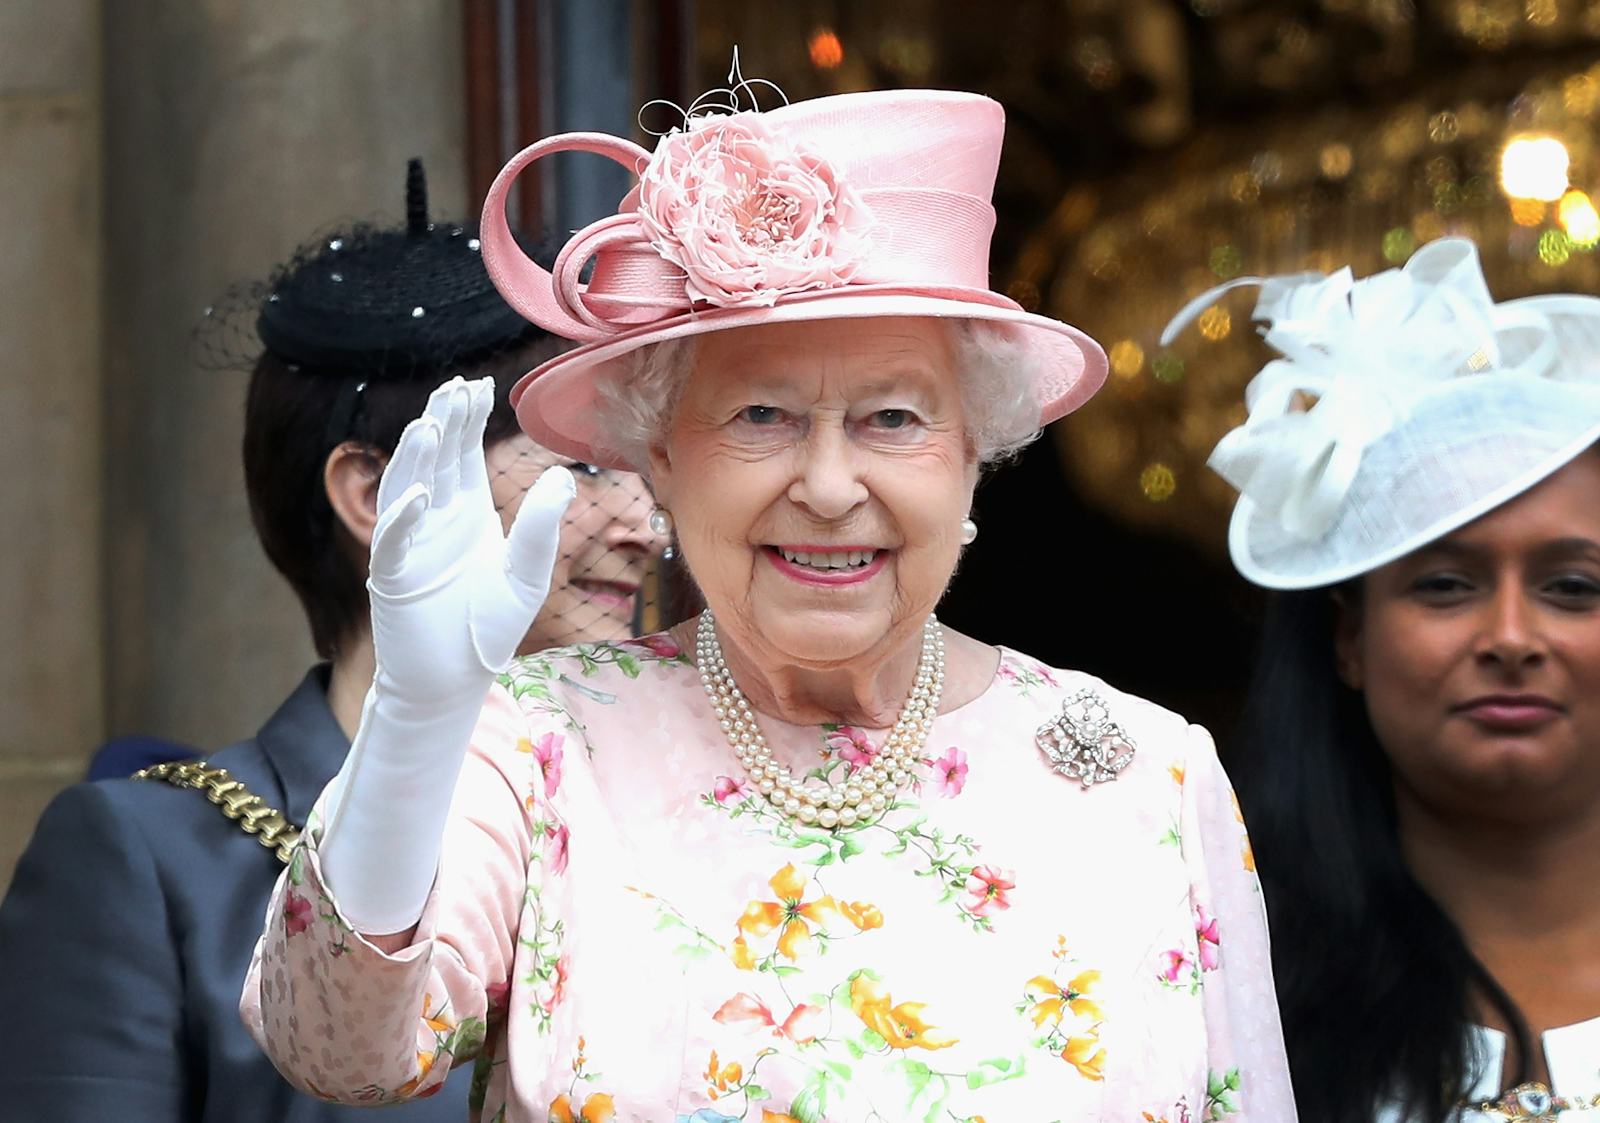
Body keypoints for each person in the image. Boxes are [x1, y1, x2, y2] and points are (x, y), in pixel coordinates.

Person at [241, 86, 1297, 1121]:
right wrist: (414, 726)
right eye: (761, 414)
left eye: (891, 418)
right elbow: (338, 1049)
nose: (831, 488)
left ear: (972, 452)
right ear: (661, 455)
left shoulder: (1148, 776)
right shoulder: (537, 743)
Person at [0, 164, 668, 1122]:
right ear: (379, 495)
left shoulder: (658, 825)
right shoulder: (151, 860)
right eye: (585, 469)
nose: (644, 522)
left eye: (647, 471)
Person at [1167, 238, 1600, 1123]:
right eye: (1445, 584)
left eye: (1573, 587)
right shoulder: (1212, 985)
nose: (1511, 636)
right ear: (1349, 637)